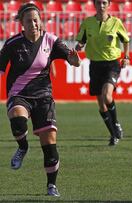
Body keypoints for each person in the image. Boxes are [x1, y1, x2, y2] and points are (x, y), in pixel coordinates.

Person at [0, 3, 80, 197]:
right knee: (18, 120)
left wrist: (75, 58)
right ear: (22, 23)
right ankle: (23, 147)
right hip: (19, 94)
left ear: (40, 21)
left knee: (49, 143)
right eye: (29, 21)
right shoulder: (12, 44)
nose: (34, 24)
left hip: (44, 96)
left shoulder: (51, 41)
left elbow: (73, 61)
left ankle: (51, 186)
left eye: (36, 20)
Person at [75, 0, 130, 146]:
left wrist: (126, 57)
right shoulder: (88, 23)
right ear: (94, 5)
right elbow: (81, 40)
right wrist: (79, 46)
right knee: (101, 104)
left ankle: (116, 124)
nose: (102, 5)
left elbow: (126, 40)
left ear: (109, 5)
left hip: (112, 63)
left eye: (104, 3)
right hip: (95, 65)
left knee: (107, 95)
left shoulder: (116, 22)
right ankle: (113, 134)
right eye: (99, 3)